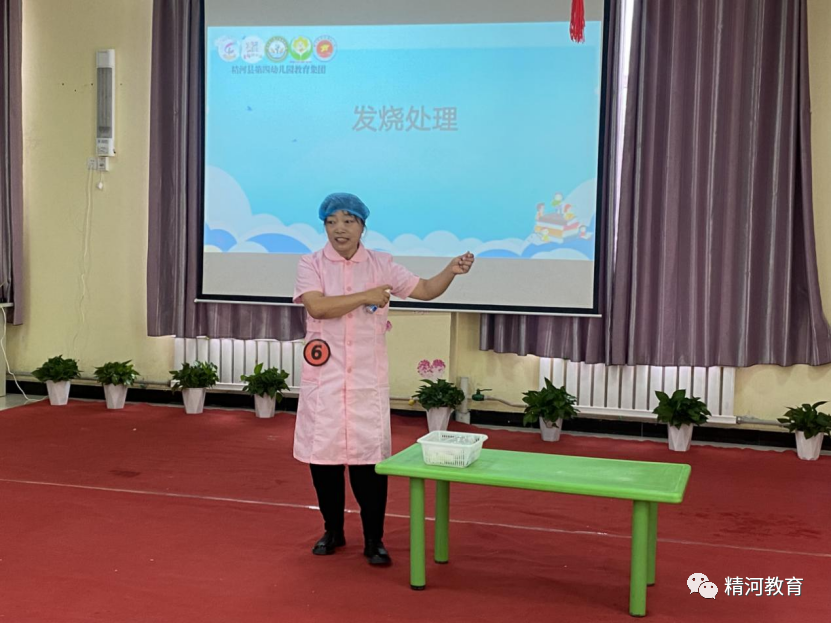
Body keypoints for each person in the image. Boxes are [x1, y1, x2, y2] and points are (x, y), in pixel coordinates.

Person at [293, 192, 474, 566]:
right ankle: (333, 531)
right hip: (325, 381)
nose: (339, 229)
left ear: (362, 225)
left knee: (369, 464)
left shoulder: (382, 264)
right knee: (324, 462)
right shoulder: (311, 264)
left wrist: (450, 271)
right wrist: (366, 296)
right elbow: (318, 306)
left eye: (348, 221)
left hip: (365, 382)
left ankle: (374, 539)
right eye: (331, 221)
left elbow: (425, 290)